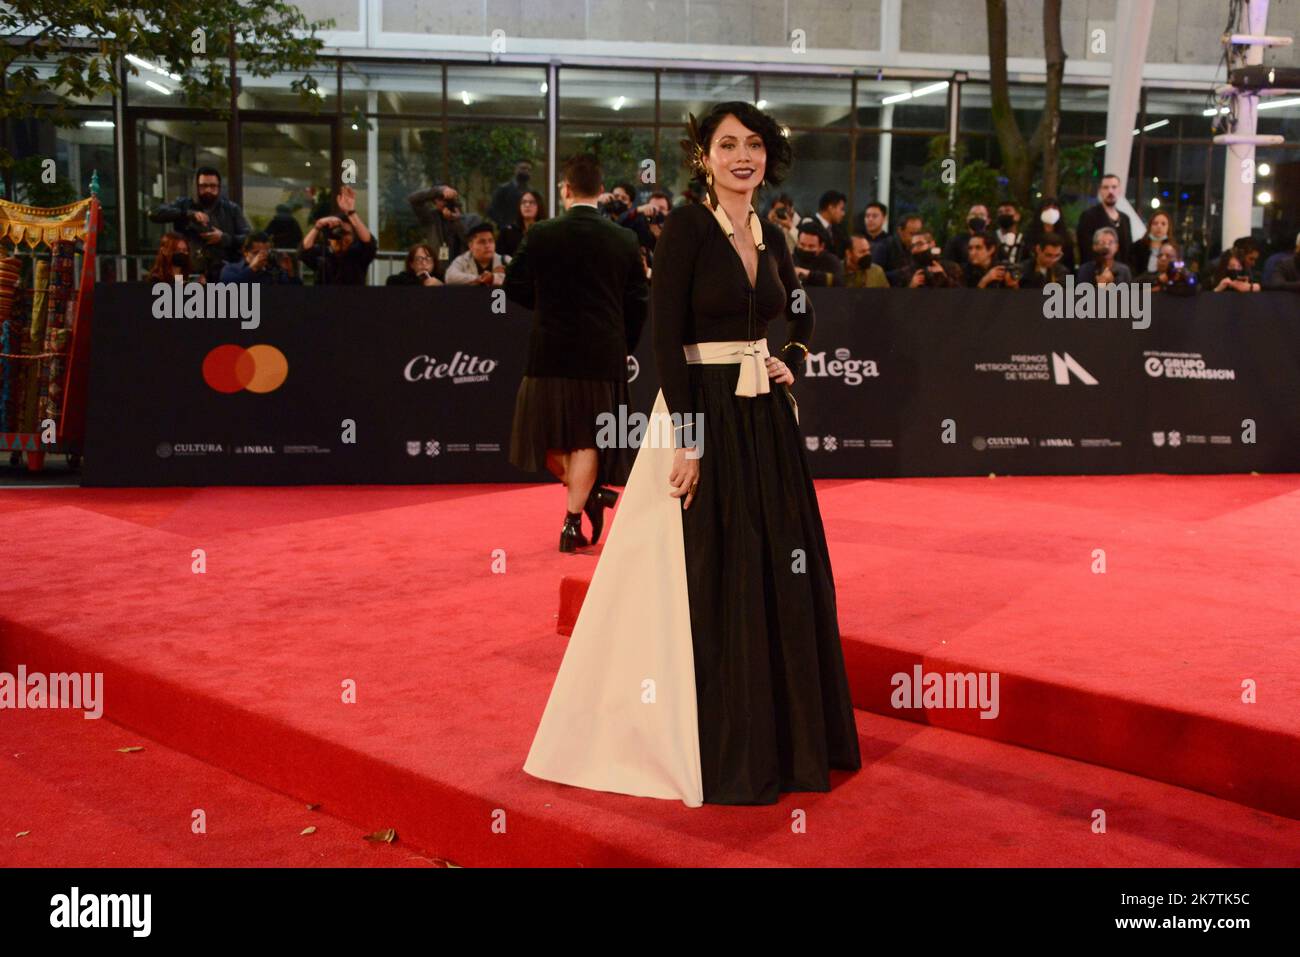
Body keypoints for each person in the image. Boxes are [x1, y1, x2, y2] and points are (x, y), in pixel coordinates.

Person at [523, 101, 861, 808]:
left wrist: (790, 354)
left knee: (776, 569)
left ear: (769, 156)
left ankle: (785, 736)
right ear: (703, 154)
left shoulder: (768, 231)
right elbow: (665, 340)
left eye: (755, 145)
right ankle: (707, 740)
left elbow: (800, 308)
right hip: (700, 413)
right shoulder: (685, 227)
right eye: (728, 144)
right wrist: (690, 441)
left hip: (765, 419)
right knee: (710, 573)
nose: (745, 156)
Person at [505, 153, 649, 550]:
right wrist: (623, 343)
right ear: (601, 192)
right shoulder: (623, 238)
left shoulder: (541, 234)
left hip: (550, 349)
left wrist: (548, 306)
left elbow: (512, 287)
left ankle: (572, 520)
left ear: (564, 190)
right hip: (602, 354)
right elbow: (639, 301)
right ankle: (590, 497)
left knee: (547, 438)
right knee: (586, 438)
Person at [148, 167, 251, 281]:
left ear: (219, 187)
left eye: (213, 186)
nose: (208, 190)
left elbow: (248, 239)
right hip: (188, 272)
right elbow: (154, 213)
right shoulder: (184, 204)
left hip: (223, 274)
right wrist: (187, 214)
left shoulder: (231, 209)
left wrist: (224, 238)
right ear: (196, 187)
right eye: (203, 186)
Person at [299, 185, 376, 285]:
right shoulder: (323, 253)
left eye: (346, 234)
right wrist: (317, 227)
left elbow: (369, 243)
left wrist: (351, 213)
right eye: (337, 232)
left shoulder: (358, 253)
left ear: (353, 237)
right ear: (329, 237)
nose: (342, 238)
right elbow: (303, 251)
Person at [407, 184, 469, 281]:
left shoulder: (466, 219)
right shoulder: (430, 218)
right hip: (437, 272)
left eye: (447, 199)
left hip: (460, 272)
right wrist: (439, 190)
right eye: (440, 198)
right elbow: (413, 199)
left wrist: (456, 220)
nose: (444, 202)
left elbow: (469, 242)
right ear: (434, 201)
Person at [1076, 173, 1134, 267]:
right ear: (1100, 191)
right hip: (1096, 273)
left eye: (1114, 187)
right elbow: (1085, 249)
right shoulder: (1089, 216)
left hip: (1121, 275)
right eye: (1106, 187)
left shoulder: (1125, 219)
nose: (1110, 191)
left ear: (1120, 190)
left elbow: (1128, 251)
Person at [219, 232, 300, 284]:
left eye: (265, 252)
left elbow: (295, 293)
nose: (261, 256)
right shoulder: (230, 269)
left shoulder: (274, 272)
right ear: (245, 252)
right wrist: (252, 268)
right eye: (256, 253)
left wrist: (290, 272)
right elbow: (229, 287)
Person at [445, 222, 510, 285]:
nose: (487, 245)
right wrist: (480, 278)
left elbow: (519, 278)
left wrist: (493, 278)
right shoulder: (462, 260)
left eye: (491, 241)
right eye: (482, 242)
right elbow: (449, 277)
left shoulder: (504, 260)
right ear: (471, 246)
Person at [1022, 197, 1077, 272]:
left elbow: (1070, 265)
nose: (1051, 211)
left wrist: (1069, 283)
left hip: (1060, 277)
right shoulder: (1030, 235)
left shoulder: (1066, 238)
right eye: (1047, 208)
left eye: (1054, 208)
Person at [898, 230, 962, 288]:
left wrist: (944, 278)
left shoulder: (951, 267)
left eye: (919, 244)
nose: (915, 249)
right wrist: (911, 286)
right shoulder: (906, 272)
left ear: (932, 244)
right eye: (912, 246)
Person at [792, 220, 845, 287]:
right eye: (802, 245)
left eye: (811, 246)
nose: (806, 249)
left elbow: (839, 282)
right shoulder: (790, 259)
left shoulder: (831, 262)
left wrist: (809, 275)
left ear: (821, 246)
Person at [859, 201, 906, 274]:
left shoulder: (891, 242)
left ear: (884, 219)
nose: (870, 219)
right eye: (867, 216)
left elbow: (897, 271)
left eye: (874, 216)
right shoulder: (859, 241)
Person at [496, 190, 546, 258]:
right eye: (523, 202)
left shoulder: (546, 232)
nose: (527, 205)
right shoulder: (507, 232)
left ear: (539, 205)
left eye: (531, 202)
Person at [486, 160, 533, 229]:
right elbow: (491, 210)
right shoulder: (503, 189)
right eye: (523, 168)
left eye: (528, 170)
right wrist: (505, 224)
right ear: (515, 170)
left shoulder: (531, 191)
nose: (526, 171)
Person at [804, 189, 848, 258]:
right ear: (831, 208)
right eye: (841, 209)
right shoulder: (809, 224)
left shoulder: (838, 230)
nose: (843, 214)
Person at [1129, 210, 1172, 277]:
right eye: (1155, 223)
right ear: (1150, 226)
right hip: (1140, 285)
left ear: (1168, 227)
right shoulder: (1138, 246)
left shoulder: (1172, 249)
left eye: (1163, 224)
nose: (1159, 226)